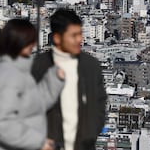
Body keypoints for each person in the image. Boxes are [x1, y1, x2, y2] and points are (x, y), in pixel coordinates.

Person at [0, 19, 64, 150]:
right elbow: (1, 122)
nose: (33, 45)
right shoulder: (9, 75)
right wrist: (39, 142)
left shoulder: (17, 71)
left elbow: (35, 104)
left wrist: (55, 78)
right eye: (30, 40)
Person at [32, 9, 107, 150]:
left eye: (80, 34)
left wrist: (90, 134)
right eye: (73, 35)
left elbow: (99, 105)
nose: (79, 40)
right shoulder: (39, 66)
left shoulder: (91, 66)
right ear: (57, 38)